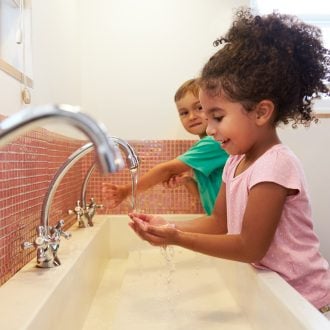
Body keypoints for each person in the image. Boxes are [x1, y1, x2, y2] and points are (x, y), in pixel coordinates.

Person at [128, 8, 330, 317]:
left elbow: (251, 247)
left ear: (261, 112)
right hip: (274, 294)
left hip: (306, 303)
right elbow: (218, 222)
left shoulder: (276, 165)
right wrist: (168, 228)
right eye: (207, 117)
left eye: (218, 117)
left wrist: (178, 238)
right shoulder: (235, 162)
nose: (209, 129)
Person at [103, 78, 228, 215]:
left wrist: (126, 191)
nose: (191, 116)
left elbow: (166, 170)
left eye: (199, 108)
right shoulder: (209, 145)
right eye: (184, 112)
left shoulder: (213, 142)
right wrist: (188, 181)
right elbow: (206, 200)